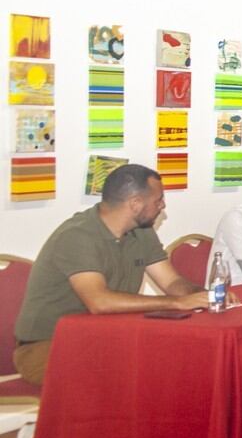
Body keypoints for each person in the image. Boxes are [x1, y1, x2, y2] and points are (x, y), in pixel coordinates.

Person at [14, 164, 217, 385]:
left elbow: (172, 281)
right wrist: (177, 303)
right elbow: (99, 301)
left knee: (178, 361)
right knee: (130, 378)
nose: (163, 205)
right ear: (135, 204)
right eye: (158, 200)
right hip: (48, 345)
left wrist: (206, 296)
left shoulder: (142, 231)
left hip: (107, 337)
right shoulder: (77, 235)